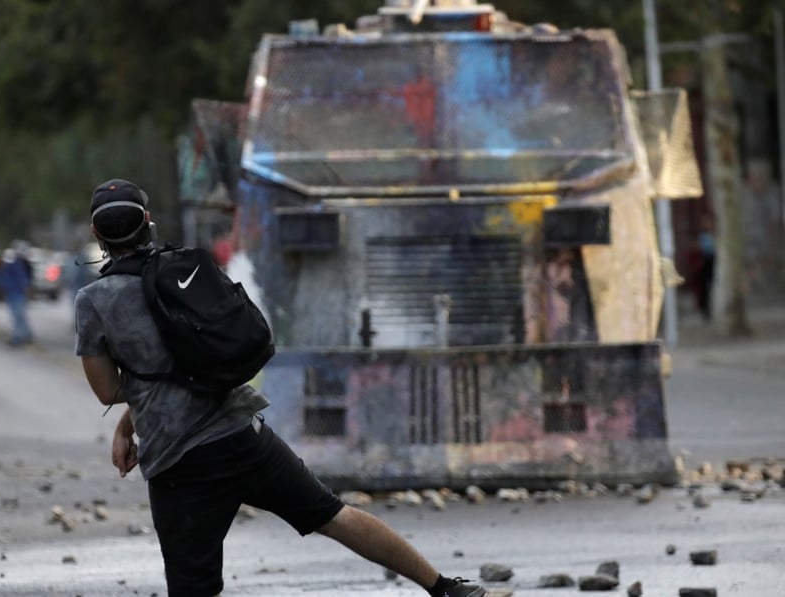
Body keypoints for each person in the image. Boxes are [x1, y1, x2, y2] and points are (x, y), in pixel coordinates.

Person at [74, 179, 486, 597]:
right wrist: (132, 418)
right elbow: (196, 359)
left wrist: (134, 408)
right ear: (147, 220)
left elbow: (108, 390)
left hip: (177, 462)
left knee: (192, 589)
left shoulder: (94, 300)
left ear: (97, 234)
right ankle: (447, 587)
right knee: (334, 515)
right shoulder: (187, 268)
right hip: (241, 436)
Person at [0, 247, 33, 346]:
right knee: (18, 316)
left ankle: (18, 337)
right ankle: (26, 335)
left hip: (17, 293)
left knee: (18, 316)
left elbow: (22, 279)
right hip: (12, 294)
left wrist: (26, 292)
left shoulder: (13, 267)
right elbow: (3, 284)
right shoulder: (3, 270)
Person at [696, 213, 716, 321]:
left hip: (714, 261)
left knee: (713, 286)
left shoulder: (715, 234)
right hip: (705, 262)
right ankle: (706, 310)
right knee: (705, 288)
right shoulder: (702, 235)